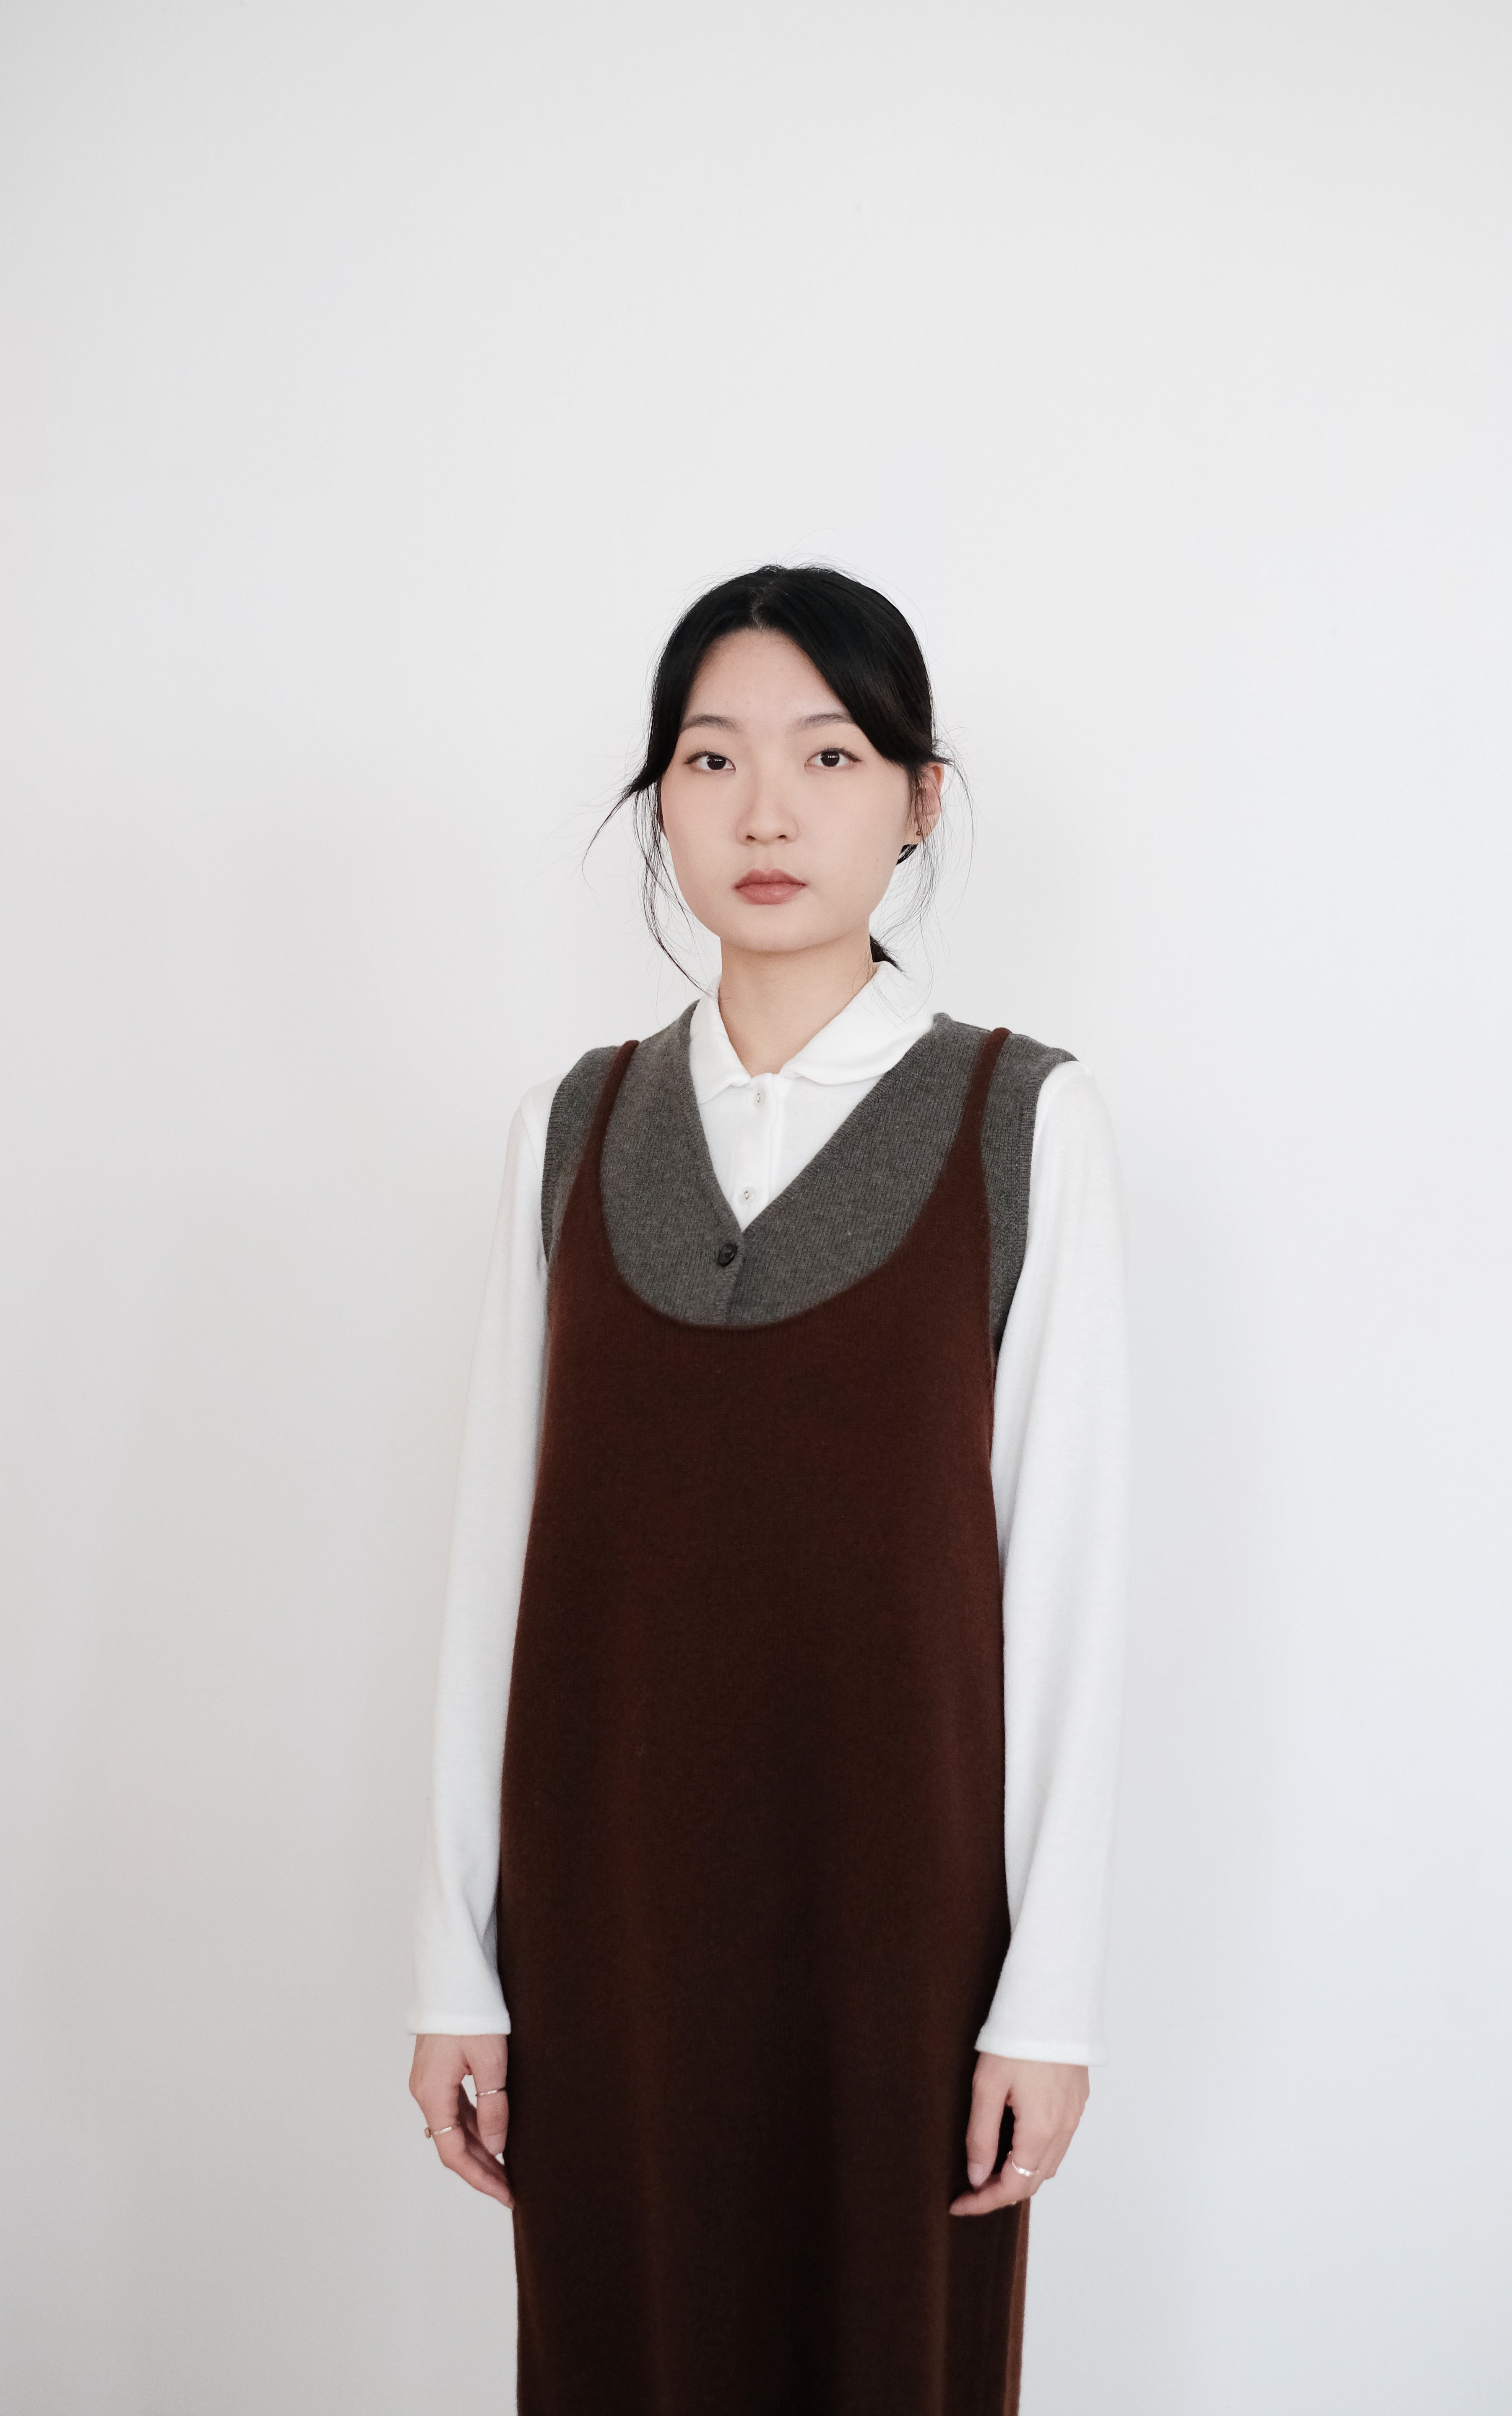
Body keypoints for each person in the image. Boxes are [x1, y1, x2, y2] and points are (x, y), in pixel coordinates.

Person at [406, 564, 1129, 2415]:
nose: (767, 812)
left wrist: (1047, 2003)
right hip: (609, 1932)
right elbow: (495, 1567)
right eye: (712, 759)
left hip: (902, 1939)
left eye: (829, 756)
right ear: (663, 800)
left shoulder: (1020, 1123)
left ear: (919, 798)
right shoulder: (574, 1128)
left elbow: (1065, 1586)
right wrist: (456, 1969)